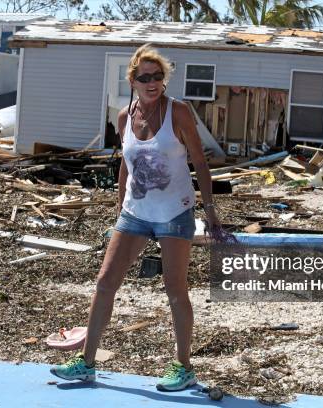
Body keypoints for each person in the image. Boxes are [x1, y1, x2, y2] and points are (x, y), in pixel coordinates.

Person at [50, 44, 221, 392]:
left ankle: (184, 366)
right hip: (135, 212)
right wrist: (119, 202)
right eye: (145, 77)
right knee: (105, 282)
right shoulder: (125, 116)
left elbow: (200, 163)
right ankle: (86, 362)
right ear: (132, 79)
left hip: (175, 212)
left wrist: (210, 209)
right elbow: (126, 164)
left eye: (158, 76)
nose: (152, 82)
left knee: (175, 289)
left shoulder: (180, 112)